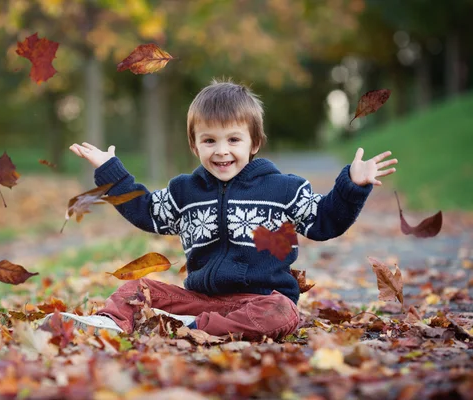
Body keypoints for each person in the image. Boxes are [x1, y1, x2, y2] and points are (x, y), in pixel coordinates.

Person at [48, 79, 397, 341]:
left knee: (280, 313)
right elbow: (146, 210)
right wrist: (111, 169)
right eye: (209, 140)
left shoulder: (284, 189)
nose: (221, 151)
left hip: (261, 300)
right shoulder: (185, 191)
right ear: (194, 144)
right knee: (136, 290)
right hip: (200, 298)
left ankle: (194, 330)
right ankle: (110, 324)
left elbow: (325, 221)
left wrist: (352, 185)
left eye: (233, 140)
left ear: (254, 143)